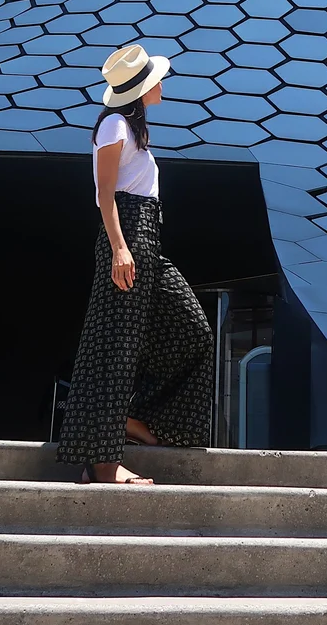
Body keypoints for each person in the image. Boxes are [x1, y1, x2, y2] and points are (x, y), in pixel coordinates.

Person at [56, 44, 214, 484]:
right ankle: (102, 466)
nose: (161, 85)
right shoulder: (113, 126)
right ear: (141, 89)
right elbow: (104, 196)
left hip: (147, 239)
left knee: (193, 330)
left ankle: (134, 421)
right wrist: (120, 248)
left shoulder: (129, 128)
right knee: (113, 349)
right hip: (124, 238)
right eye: (155, 80)